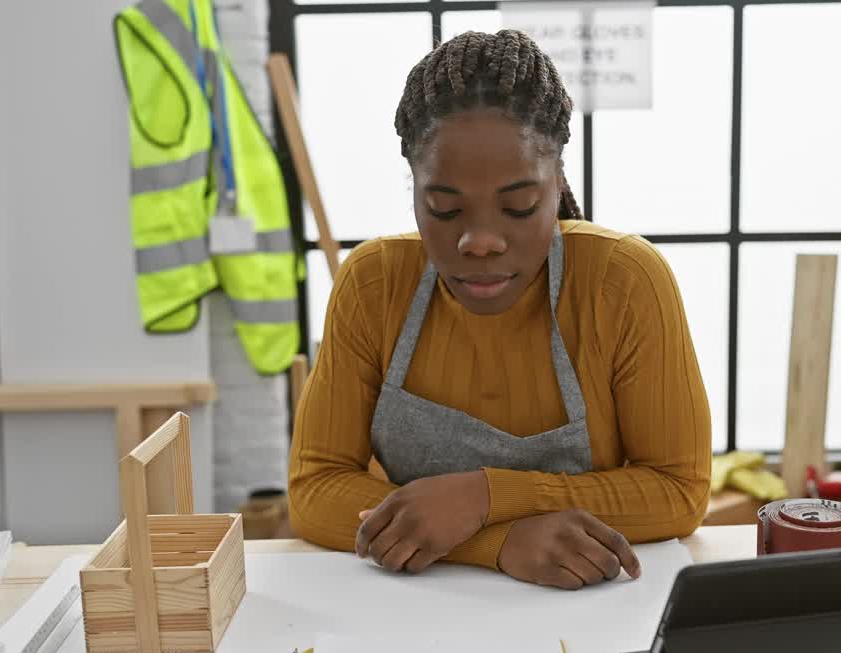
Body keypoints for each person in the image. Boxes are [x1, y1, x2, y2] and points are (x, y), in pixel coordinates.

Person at [288, 29, 710, 590]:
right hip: (413, 619)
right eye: (444, 209)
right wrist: (495, 542)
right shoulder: (374, 284)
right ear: (413, 188)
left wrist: (486, 495)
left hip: (591, 610)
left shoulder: (622, 281)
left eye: (518, 207)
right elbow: (316, 488)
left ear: (557, 184)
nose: (479, 241)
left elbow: (679, 490)